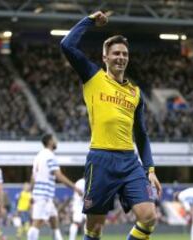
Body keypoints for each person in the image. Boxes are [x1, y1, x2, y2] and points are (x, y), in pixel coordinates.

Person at [61, 10, 162, 240]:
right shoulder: (93, 77)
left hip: (129, 162)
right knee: (95, 228)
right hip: (101, 159)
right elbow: (67, 45)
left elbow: (142, 134)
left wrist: (150, 169)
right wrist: (88, 21)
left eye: (125, 53)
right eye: (116, 53)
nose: (121, 57)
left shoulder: (135, 93)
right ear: (105, 57)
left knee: (149, 217)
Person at [27, 134, 83, 240]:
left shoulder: (38, 156)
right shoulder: (50, 156)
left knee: (54, 220)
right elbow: (59, 176)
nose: (56, 142)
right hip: (43, 195)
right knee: (37, 222)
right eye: (54, 140)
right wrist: (75, 187)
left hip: (42, 194)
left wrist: (31, 193)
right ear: (50, 142)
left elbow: (33, 177)